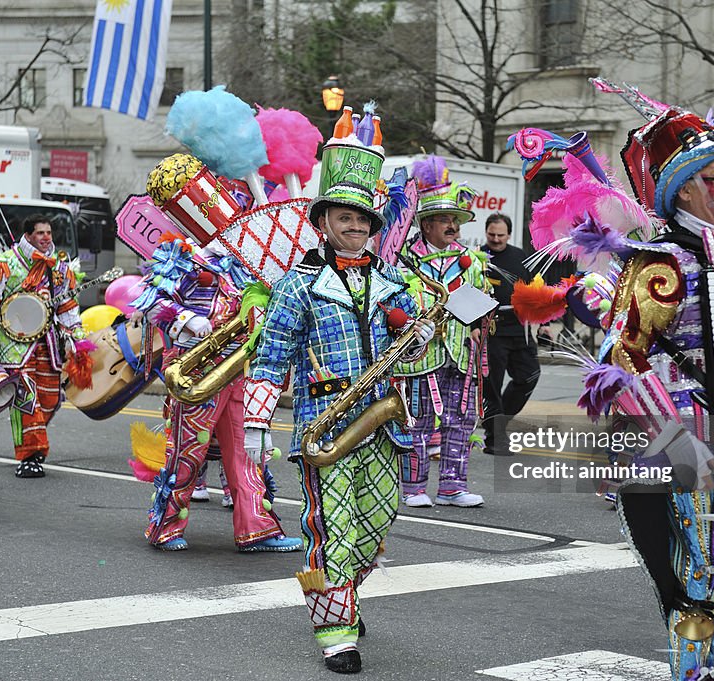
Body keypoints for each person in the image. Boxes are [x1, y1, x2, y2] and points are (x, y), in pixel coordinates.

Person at [544, 91, 714, 680]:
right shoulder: (659, 263)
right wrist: (676, 441)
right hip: (681, 437)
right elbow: (622, 360)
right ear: (685, 191)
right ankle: (694, 674)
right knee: (699, 576)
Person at [244, 163, 434, 671]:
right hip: (324, 425)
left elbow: (412, 355)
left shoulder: (394, 281)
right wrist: (256, 422)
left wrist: (417, 340)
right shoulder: (296, 285)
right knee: (332, 527)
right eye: (345, 218)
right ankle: (335, 632)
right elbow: (271, 354)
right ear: (323, 221)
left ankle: (345, 593)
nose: (356, 228)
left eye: (364, 221)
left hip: (383, 423)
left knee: (376, 522)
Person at [137, 234, 300, 553]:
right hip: (199, 368)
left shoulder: (253, 263)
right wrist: (186, 319)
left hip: (240, 368)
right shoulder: (181, 255)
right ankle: (165, 527)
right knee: (187, 450)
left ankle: (257, 528)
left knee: (248, 448)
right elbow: (151, 303)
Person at [396, 156, 489, 508]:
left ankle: (453, 485)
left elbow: (481, 302)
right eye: (445, 220)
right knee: (418, 421)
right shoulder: (403, 258)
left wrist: (480, 327)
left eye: (455, 220)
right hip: (421, 355)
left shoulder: (472, 259)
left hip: (461, 353)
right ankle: (414, 488)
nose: (452, 226)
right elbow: (394, 305)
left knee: (461, 421)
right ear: (427, 224)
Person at [0, 214, 85, 478]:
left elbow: (66, 306)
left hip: (46, 344)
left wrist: (78, 337)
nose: (47, 238)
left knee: (49, 399)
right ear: (28, 235)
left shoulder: (58, 267)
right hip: (14, 346)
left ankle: (32, 442)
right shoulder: (7, 263)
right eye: (40, 233)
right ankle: (30, 455)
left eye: (49, 233)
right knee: (25, 400)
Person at [480, 213, 541, 455]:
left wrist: (544, 321)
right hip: (492, 330)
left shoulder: (520, 257)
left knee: (530, 375)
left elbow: (534, 290)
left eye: (500, 235)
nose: (495, 239)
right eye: (491, 235)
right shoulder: (478, 257)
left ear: (509, 234)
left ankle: (499, 421)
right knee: (491, 386)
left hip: (520, 329)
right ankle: (495, 437)